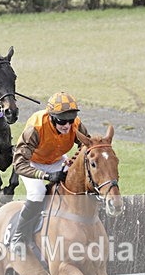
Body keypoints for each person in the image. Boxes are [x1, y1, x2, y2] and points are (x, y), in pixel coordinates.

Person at [9, 91, 90, 254]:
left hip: (56, 160)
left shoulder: (76, 124)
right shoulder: (36, 128)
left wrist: (73, 160)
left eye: (70, 120)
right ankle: (18, 236)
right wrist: (46, 176)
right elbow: (19, 164)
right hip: (32, 163)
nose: (67, 125)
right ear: (51, 117)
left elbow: (86, 145)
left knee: (77, 183)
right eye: (62, 121)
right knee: (38, 193)